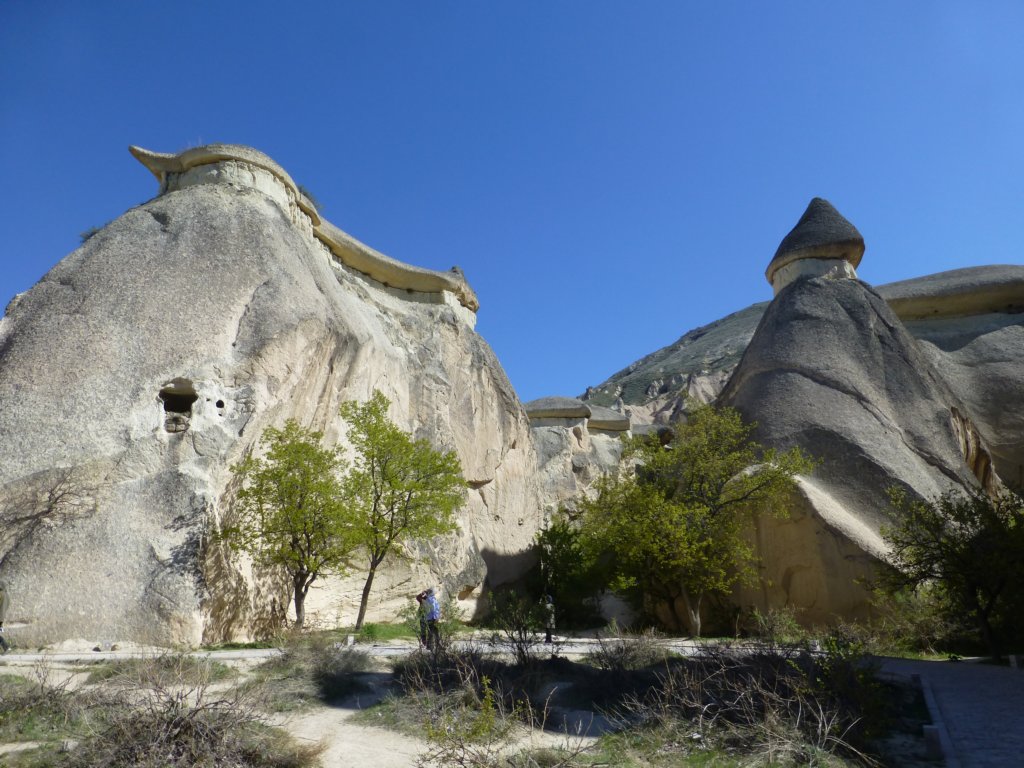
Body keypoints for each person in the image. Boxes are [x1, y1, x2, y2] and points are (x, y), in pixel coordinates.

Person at [0, 582, 10, 654]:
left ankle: (6, 647)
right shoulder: (7, 595)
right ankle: (5, 647)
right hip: (2, 617)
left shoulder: (1, 594)